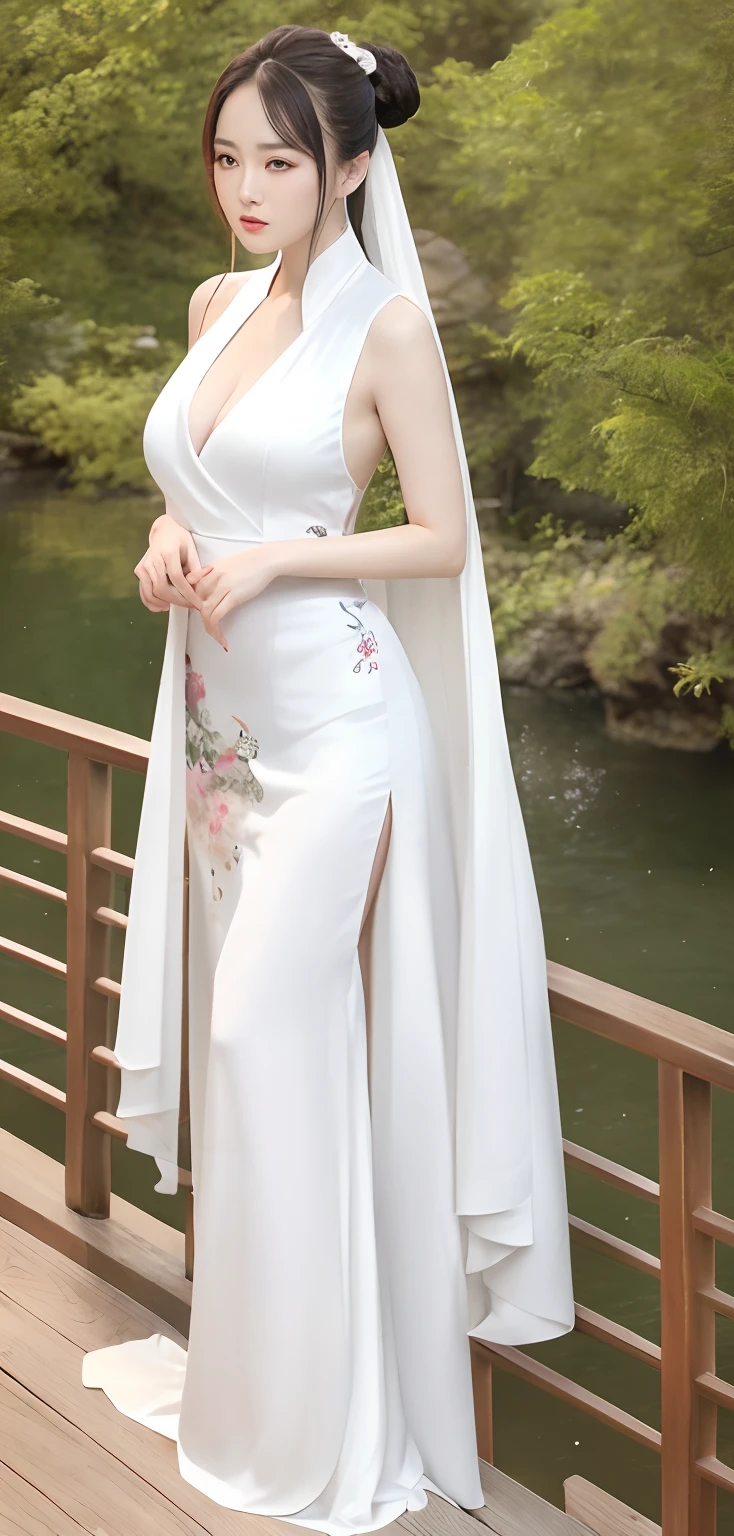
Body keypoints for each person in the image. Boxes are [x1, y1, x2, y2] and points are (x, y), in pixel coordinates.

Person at [81, 25, 574, 1534]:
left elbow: (440, 538)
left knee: (256, 1030)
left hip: (346, 732)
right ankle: (258, 1380)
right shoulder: (213, 299)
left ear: (353, 165)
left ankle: (325, 1419)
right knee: (269, 1066)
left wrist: (287, 553)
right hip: (227, 744)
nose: (248, 186)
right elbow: (195, 492)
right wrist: (169, 546)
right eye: (229, 156)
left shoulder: (389, 330)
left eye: (281, 160)